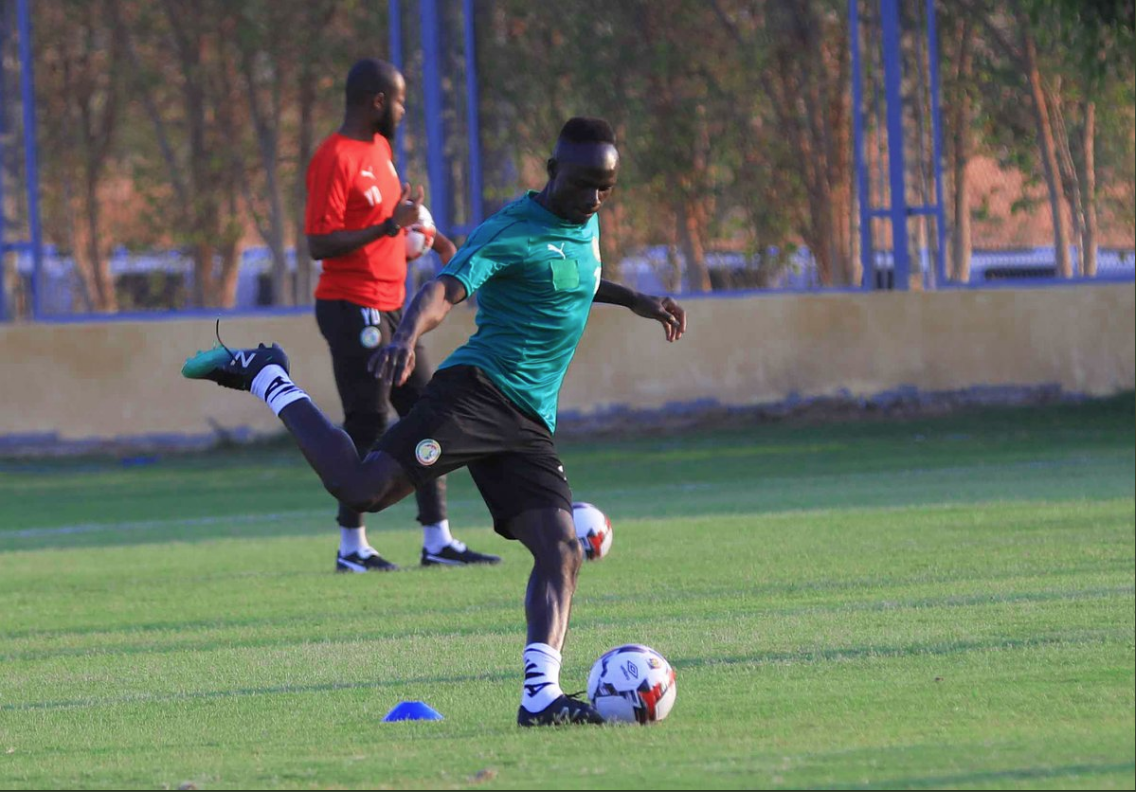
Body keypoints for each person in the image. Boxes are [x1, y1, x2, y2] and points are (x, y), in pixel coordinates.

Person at [182, 117, 687, 726]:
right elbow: (443, 291)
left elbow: (571, 278)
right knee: (361, 490)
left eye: (605, 187)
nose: (594, 200)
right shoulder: (506, 231)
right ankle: (267, 373)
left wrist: (636, 300)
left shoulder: (586, 220)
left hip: (528, 421)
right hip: (475, 396)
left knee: (560, 549)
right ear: (554, 172)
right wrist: (405, 337)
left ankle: (540, 699)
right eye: (584, 185)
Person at [304, 58, 497, 572]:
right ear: (375, 101)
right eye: (399, 100)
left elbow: (393, 227)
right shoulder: (334, 156)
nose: (404, 109)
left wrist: (428, 240)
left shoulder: (381, 151)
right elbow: (319, 242)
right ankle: (352, 549)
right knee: (367, 421)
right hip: (351, 306)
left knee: (429, 412)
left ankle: (438, 540)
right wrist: (389, 223)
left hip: (394, 307)